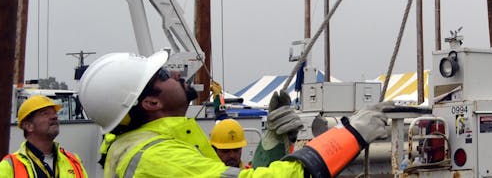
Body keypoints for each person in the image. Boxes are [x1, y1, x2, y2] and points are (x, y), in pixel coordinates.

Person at [78, 51, 389, 177]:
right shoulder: (158, 159)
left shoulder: (148, 148)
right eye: (161, 75)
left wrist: (271, 146)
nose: (174, 72)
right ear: (150, 103)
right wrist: (350, 134)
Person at [0, 95, 87, 177]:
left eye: (54, 113)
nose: (54, 116)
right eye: (45, 113)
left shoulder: (73, 161)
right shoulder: (9, 168)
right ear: (28, 126)